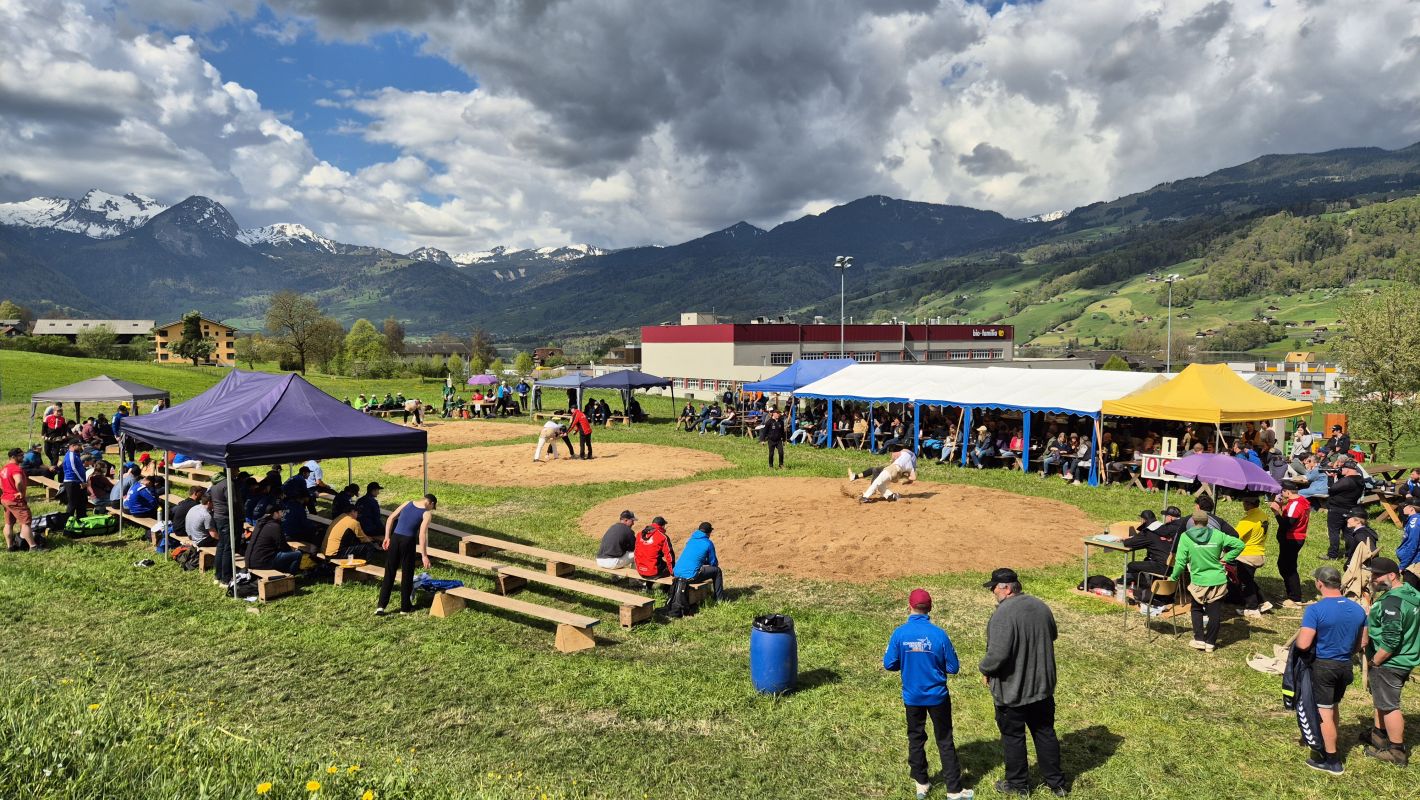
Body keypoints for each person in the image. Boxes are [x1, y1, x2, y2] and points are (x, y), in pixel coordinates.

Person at [979, 568, 1065, 797]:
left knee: (1013, 737)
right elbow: (1052, 635)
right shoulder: (1041, 606)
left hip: (1013, 692)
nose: (993, 592)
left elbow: (997, 655)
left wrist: (984, 669)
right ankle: (1057, 783)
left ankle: (1018, 784)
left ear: (1006, 588)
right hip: (1042, 688)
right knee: (1045, 732)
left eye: (994, 588)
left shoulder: (1003, 614)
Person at [883, 589, 972, 800]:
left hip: (912, 697)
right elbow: (953, 667)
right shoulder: (939, 635)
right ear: (930, 607)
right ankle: (954, 790)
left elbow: (889, 664)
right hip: (938, 697)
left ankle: (921, 783)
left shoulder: (900, 634)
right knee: (945, 739)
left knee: (915, 738)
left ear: (909, 606)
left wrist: (909, 660)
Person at [1296, 565, 1367, 775]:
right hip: (1345, 665)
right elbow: (1363, 641)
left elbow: (1303, 644)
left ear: (1319, 583)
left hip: (1324, 667)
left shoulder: (1315, 610)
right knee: (1333, 706)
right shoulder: (1358, 609)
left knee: (1323, 712)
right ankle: (1332, 743)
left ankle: (1332, 760)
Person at [1361, 556, 1420, 766]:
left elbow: (1391, 640)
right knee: (1382, 699)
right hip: (1407, 656)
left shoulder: (1391, 603)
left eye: (1377, 575)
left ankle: (1396, 750)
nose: (1372, 579)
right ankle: (1379, 734)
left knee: (1389, 706)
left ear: (1392, 575)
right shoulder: (1412, 593)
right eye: (1372, 575)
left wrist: (1375, 661)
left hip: (1390, 662)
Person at [1170, 511, 1245, 653]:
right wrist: (1227, 558)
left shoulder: (1185, 537)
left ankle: (1199, 639)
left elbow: (1180, 563)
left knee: (1196, 609)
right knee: (1215, 612)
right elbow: (1240, 544)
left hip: (1198, 581)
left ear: (1193, 521)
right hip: (1218, 580)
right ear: (1207, 522)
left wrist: (1173, 578)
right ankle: (1210, 643)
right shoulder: (1218, 534)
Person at [377, 494, 437, 616]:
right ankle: (405, 608)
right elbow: (422, 535)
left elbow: (390, 518)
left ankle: (381, 606)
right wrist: (424, 556)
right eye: (433, 507)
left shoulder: (407, 503)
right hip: (408, 541)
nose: (432, 509)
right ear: (431, 503)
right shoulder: (426, 514)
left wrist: (387, 537)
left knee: (389, 572)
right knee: (407, 574)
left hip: (395, 538)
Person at [1121, 506, 1183, 612]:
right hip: (1175, 566)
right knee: (1146, 561)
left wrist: (1126, 539)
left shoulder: (1149, 532)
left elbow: (1128, 543)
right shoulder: (1165, 529)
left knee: (1132, 565)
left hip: (1162, 567)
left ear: (1144, 520)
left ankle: (1145, 589)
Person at [1270, 485, 1311, 608]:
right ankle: (1292, 594)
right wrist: (1282, 506)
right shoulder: (1301, 501)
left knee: (1288, 568)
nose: (1281, 494)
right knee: (1286, 566)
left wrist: (1276, 512)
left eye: (1282, 492)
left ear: (1287, 492)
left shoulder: (1295, 505)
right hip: (1297, 537)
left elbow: (1287, 525)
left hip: (1291, 539)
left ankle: (1295, 598)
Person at [1232, 496, 1272, 618]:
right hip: (1259, 552)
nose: (1243, 504)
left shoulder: (1248, 520)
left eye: (1244, 502)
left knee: (1245, 582)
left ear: (1248, 504)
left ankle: (1252, 608)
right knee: (1249, 580)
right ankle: (1264, 602)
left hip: (1247, 555)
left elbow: (1234, 536)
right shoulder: (1263, 515)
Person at [673, 521, 725, 601]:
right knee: (717, 571)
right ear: (709, 532)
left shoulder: (690, 540)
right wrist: (708, 563)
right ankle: (719, 599)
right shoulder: (708, 543)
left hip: (676, 573)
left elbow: (693, 557)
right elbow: (713, 563)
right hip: (689, 576)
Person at [1326, 461, 1366, 560]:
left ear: (1348, 469)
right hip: (1350, 509)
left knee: (1334, 531)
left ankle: (1332, 554)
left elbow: (1331, 490)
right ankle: (1349, 554)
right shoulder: (1360, 479)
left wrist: (1330, 478)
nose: (1341, 470)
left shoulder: (1346, 481)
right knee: (1348, 533)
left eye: (1342, 468)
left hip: (1337, 508)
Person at [852, 442, 917, 503]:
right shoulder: (910, 465)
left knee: (877, 481)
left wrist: (893, 459)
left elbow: (894, 456)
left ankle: (865, 497)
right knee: (880, 485)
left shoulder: (903, 452)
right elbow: (913, 478)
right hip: (897, 476)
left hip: (892, 468)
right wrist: (905, 477)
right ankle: (891, 496)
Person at [246, 506, 302, 574]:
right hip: (262, 562)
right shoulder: (275, 526)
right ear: (275, 513)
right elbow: (282, 545)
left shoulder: (259, 524)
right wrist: (291, 551)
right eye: (281, 512)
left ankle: (284, 571)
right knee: (298, 554)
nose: (282, 515)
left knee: (282, 554)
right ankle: (290, 576)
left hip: (250, 561)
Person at [2, 448, 40, 552]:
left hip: (6, 499)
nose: (23, 457)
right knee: (25, 522)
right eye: (20, 456)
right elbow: (18, 481)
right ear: (13, 457)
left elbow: (1, 484)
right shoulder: (16, 469)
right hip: (15, 500)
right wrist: (21, 492)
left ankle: (10, 546)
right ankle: (33, 547)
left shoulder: (4, 469)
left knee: (8, 523)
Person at [633, 515, 676, 587]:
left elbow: (635, 553)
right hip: (653, 572)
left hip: (640, 571)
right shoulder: (662, 537)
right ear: (662, 526)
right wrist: (673, 573)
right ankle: (665, 590)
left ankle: (648, 587)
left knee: (653, 562)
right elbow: (670, 556)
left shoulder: (639, 534)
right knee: (668, 568)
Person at [60, 440, 89, 521]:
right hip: (72, 482)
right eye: (78, 445)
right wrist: (82, 481)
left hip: (78, 481)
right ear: (73, 445)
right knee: (72, 503)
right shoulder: (71, 455)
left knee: (82, 502)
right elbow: (73, 469)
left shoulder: (76, 454)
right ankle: (68, 521)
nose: (80, 447)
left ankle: (82, 518)